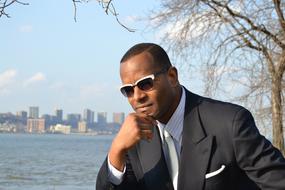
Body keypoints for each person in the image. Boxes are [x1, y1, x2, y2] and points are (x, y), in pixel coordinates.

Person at [96, 43, 285, 190]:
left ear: (172, 77)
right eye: (128, 90)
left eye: (145, 84)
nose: (137, 96)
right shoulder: (133, 141)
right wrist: (116, 150)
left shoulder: (230, 123)